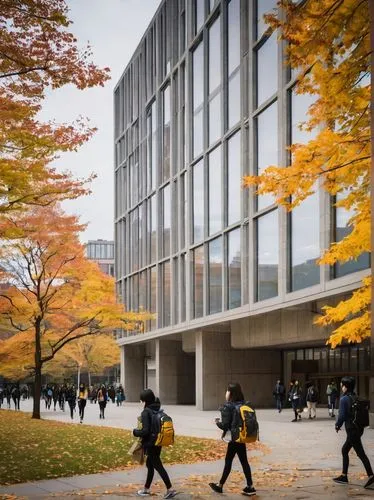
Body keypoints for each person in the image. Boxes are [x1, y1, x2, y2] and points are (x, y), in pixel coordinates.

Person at [209, 382, 256, 497]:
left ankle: (220, 486)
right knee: (244, 461)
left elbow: (225, 426)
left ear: (230, 393)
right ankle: (250, 486)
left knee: (228, 461)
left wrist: (217, 422)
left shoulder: (228, 406)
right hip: (242, 436)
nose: (226, 393)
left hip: (235, 438)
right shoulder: (245, 404)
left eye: (227, 390)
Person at [133, 389, 177, 498]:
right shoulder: (157, 408)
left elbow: (145, 431)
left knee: (158, 466)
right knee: (150, 465)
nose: (141, 402)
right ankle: (146, 489)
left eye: (142, 400)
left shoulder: (146, 412)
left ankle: (170, 489)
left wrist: (135, 432)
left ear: (145, 400)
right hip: (158, 441)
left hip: (150, 443)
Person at [334, 376, 374, 488]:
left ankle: (371, 475)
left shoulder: (344, 399)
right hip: (358, 429)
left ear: (345, 387)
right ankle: (344, 476)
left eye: (342, 385)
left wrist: (337, 425)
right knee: (345, 450)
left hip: (352, 430)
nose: (341, 387)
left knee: (360, 453)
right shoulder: (355, 397)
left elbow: (342, 416)